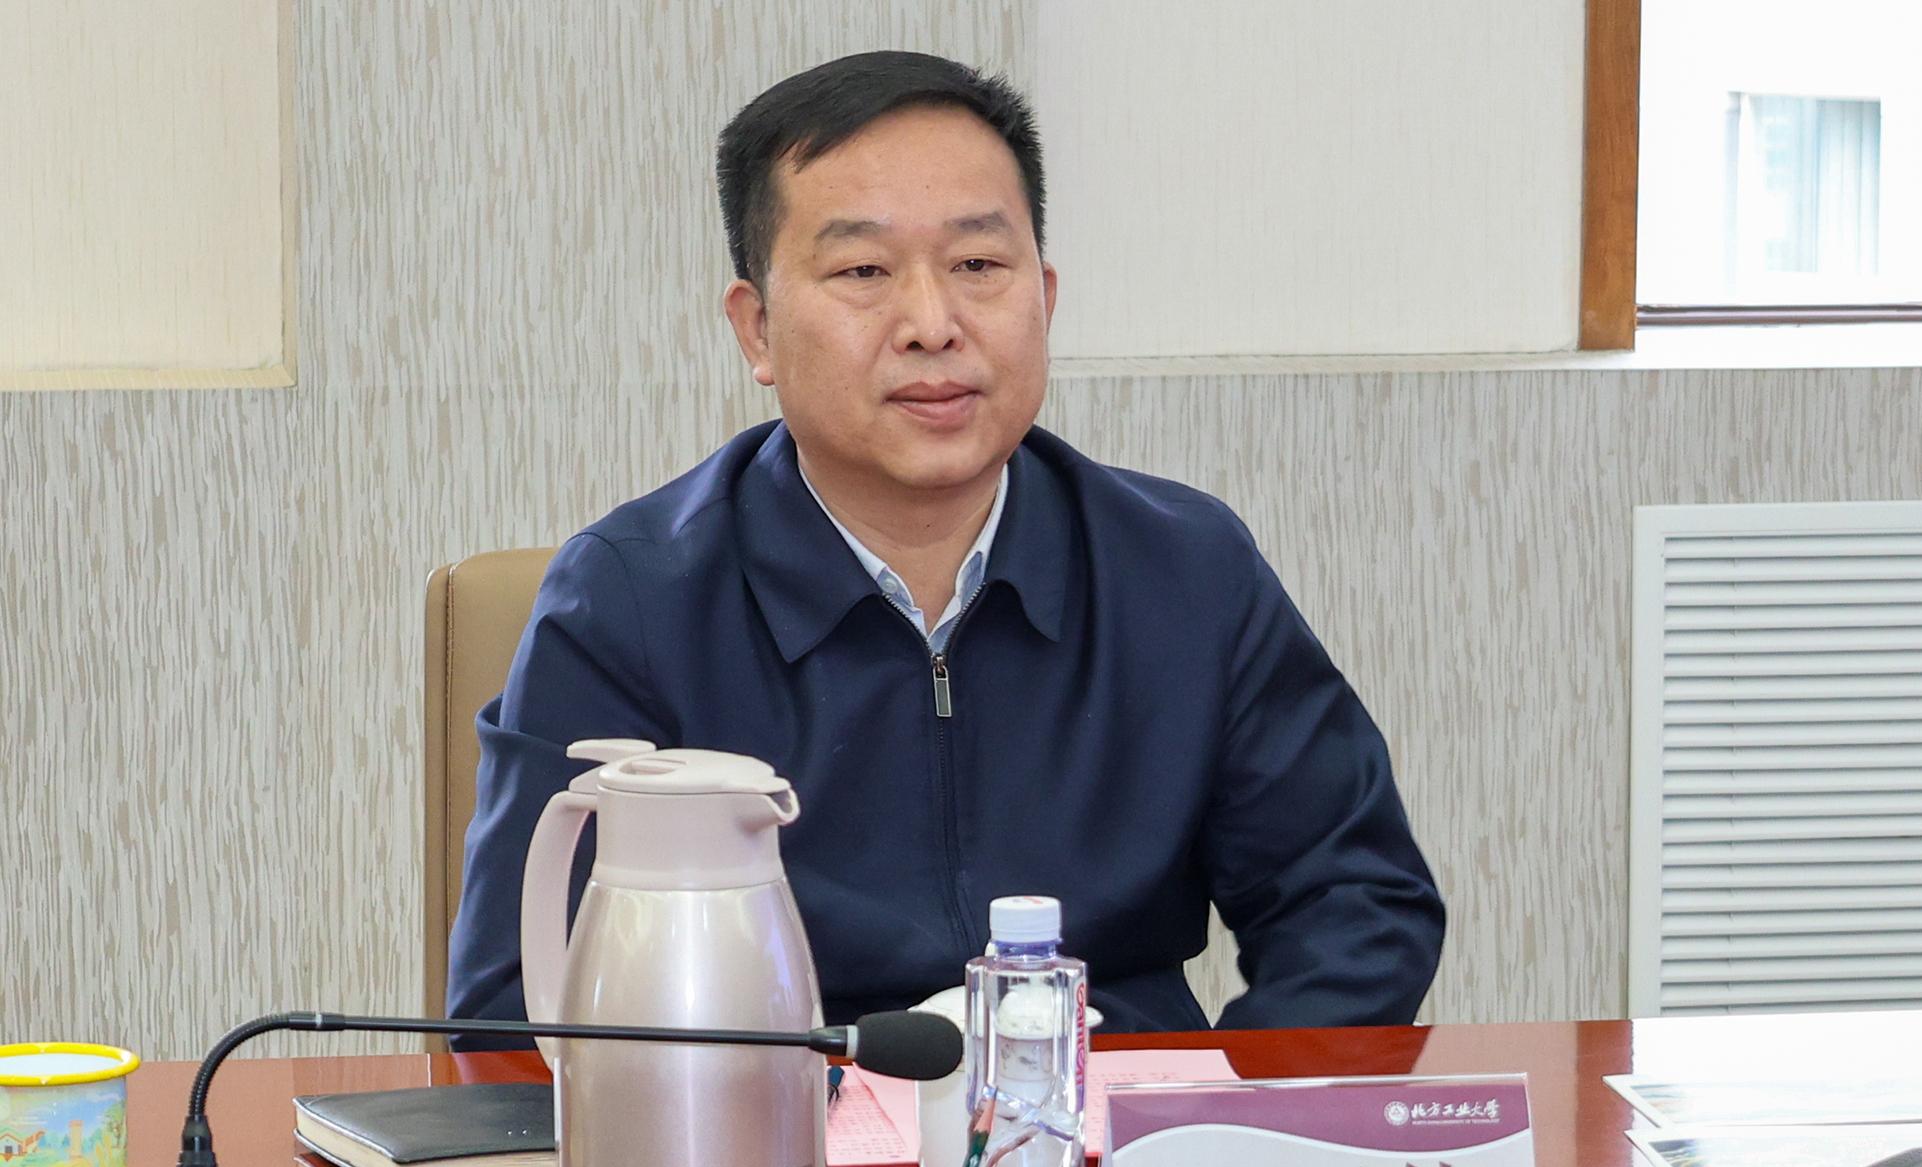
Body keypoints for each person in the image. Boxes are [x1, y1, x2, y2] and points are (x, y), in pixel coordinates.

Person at [447, 51, 1443, 1043]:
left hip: (1099, 1124)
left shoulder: (1182, 570)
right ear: (756, 329)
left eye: (977, 266)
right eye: (863, 271)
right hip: (780, 1134)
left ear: (1043, 297)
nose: (932, 324)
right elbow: (518, 1003)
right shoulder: (630, 599)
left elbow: (1355, 907)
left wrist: (1206, 1113)